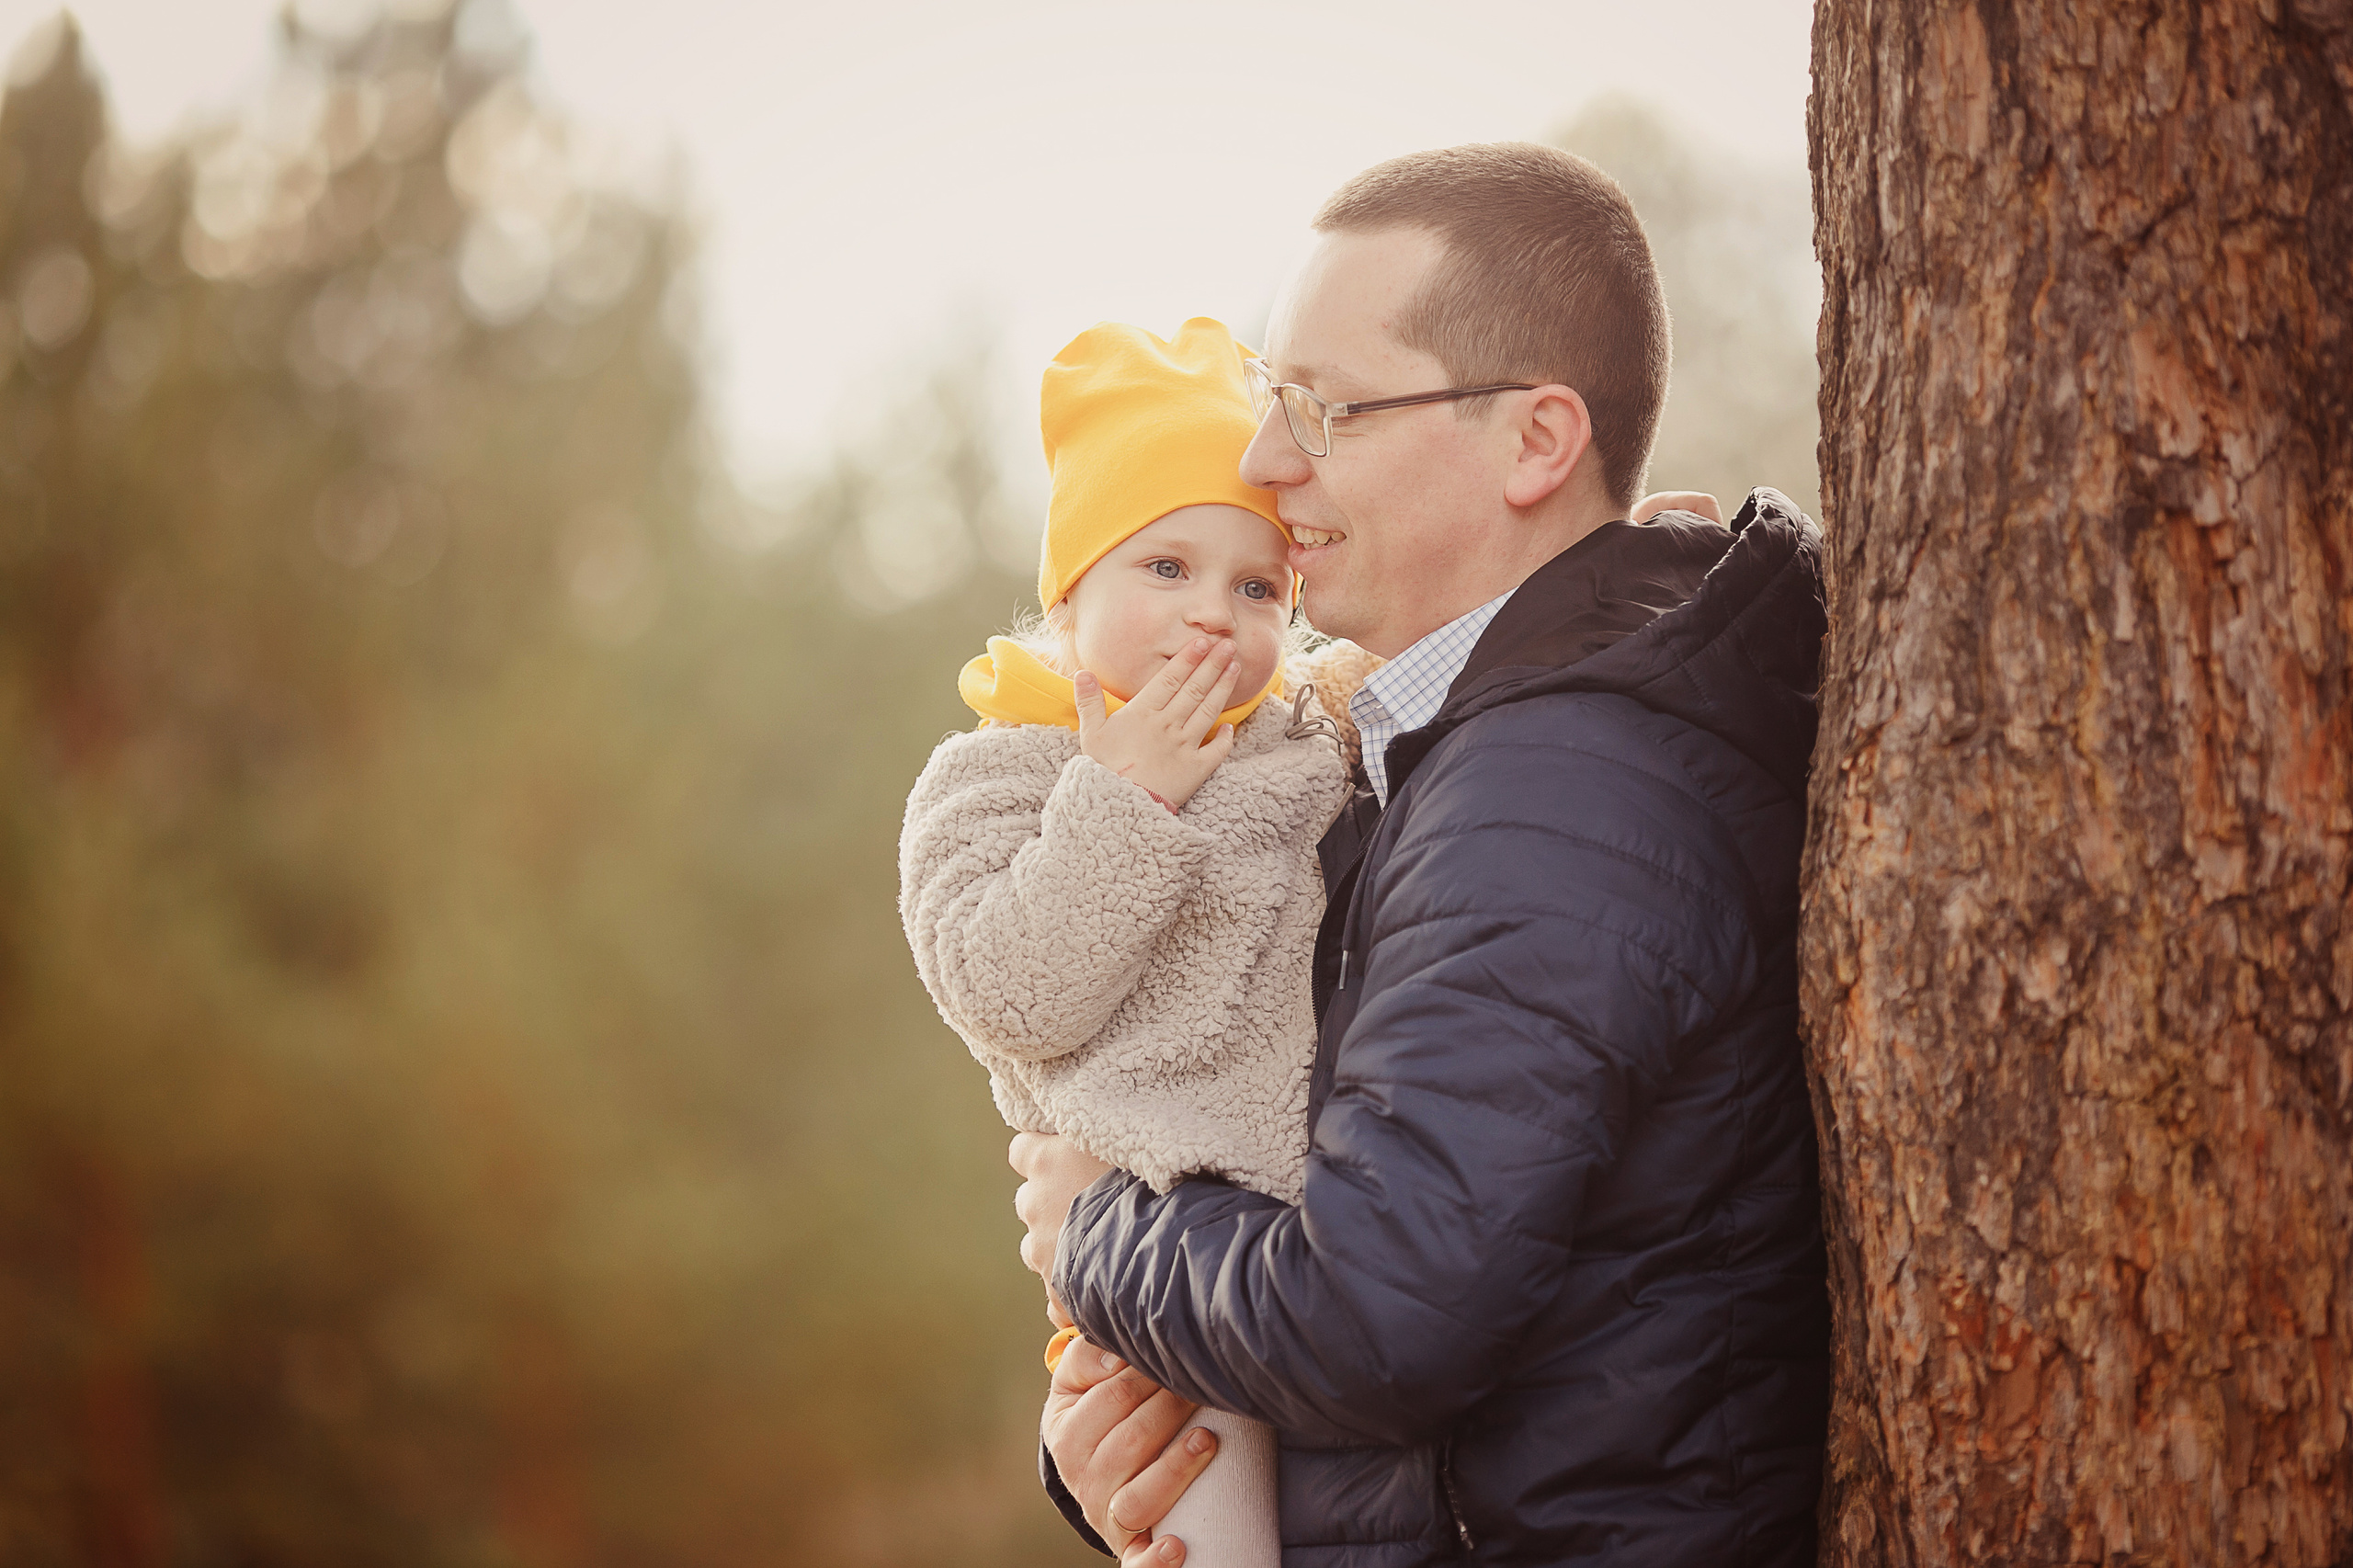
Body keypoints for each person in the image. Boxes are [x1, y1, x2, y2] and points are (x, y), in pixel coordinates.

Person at [1013, 142, 1832, 1566]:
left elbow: (1374, 1316)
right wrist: (1140, 1446)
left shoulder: (1559, 791)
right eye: (1276, 405)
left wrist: (1097, 1228)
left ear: (1537, 439)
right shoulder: (1447, 754)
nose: (1267, 465)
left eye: (1323, 409)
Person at [902, 318, 1386, 1568]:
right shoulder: (1002, 771)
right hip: (1148, 1282)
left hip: (1306, 1251)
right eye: (1165, 566)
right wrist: (1126, 803)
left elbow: (1412, 682)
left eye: (1255, 585)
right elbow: (1010, 988)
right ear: (1073, 591)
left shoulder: (1297, 736)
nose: (1211, 618)